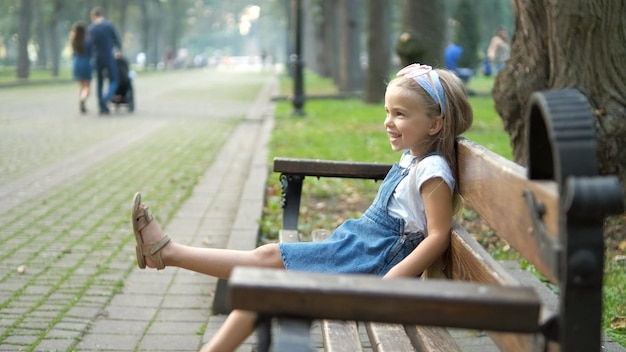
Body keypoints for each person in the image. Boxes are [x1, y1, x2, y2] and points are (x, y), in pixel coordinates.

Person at [131, 63, 474, 352]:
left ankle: (167, 253)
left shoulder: (431, 171)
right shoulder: (415, 159)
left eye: (400, 114)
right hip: (359, 249)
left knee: (264, 278)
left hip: (370, 264)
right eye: (388, 112)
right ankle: (166, 253)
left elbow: (437, 236)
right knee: (265, 263)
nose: (388, 121)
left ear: (434, 124)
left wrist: (388, 282)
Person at [88, 6, 121, 115]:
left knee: (100, 82)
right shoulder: (108, 26)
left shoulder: (91, 28)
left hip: (97, 58)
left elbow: (89, 45)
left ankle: (101, 107)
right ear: (102, 15)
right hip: (108, 57)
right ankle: (105, 99)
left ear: (93, 16)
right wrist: (118, 51)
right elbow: (116, 39)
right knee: (114, 80)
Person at [70, 22, 92, 114]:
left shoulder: (73, 41)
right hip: (85, 63)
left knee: (81, 86)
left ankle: (82, 102)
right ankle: (83, 100)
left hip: (76, 63)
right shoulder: (87, 41)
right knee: (87, 87)